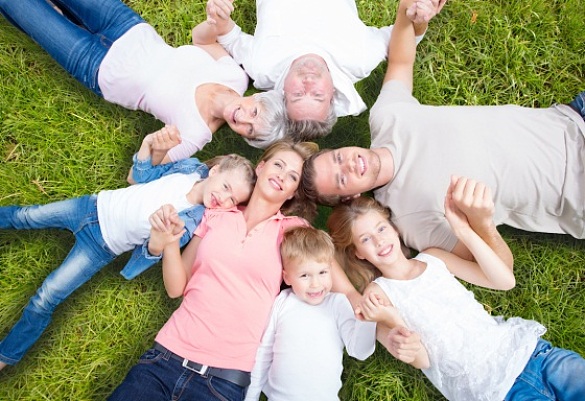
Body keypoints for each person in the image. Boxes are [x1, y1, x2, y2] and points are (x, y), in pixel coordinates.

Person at [301, 0, 585, 260]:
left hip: (572, 119)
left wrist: (408, 11)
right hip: (576, 186)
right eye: (341, 179)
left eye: (338, 158)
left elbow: (401, 61)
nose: (349, 164)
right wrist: (483, 222)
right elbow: (494, 263)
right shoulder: (412, 218)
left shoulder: (386, 117)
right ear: (351, 197)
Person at [0, 126, 256, 371]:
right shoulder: (190, 169)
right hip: (91, 206)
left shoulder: (191, 221)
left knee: (47, 295)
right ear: (215, 171)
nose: (223, 198)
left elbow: (152, 252)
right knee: (26, 216)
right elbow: (141, 177)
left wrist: (159, 242)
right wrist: (147, 146)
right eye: (226, 187)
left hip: (100, 245)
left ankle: (6, 355)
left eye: (232, 200)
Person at [327, 176, 585, 401]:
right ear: (358, 253)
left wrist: (463, 229)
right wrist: (392, 320)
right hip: (496, 392)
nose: (380, 240)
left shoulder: (434, 258)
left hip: (533, 354)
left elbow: (504, 281)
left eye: (381, 228)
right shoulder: (378, 295)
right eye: (366, 239)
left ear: (393, 228)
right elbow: (422, 361)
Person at [108, 140, 319, 401]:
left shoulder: (293, 230)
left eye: (292, 177)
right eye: (278, 165)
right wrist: (171, 240)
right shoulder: (216, 215)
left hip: (223, 383)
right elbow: (176, 288)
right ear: (261, 167)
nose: (281, 176)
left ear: (292, 194)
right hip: (164, 360)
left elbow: (324, 270)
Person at [0, 0, 288, 160]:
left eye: (250, 131)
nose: (244, 120)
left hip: (93, 64)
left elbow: (140, 173)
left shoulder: (194, 135)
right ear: (255, 98)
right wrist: (213, 21)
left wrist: (154, 148)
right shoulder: (235, 76)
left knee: (19, 7)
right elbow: (201, 40)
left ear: (244, 138)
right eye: (254, 113)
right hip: (126, 25)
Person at [193, 0, 445, 139]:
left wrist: (219, 13)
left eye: (298, 95)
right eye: (318, 96)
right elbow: (406, 37)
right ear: (333, 92)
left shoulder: (263, 68)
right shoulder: (358, 60)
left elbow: (231, 37)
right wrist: (419, 18)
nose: (308, 85)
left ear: (282, 94)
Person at [244, 226, 376, 401]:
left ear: (330, 269)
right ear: (287, 278)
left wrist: (367, 321)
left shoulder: (337, 303)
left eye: (322, 272)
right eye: (305, 275)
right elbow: (264, 352)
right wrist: (250, 396)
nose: (315, 284)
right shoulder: (282, 302)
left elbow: (359, 351)